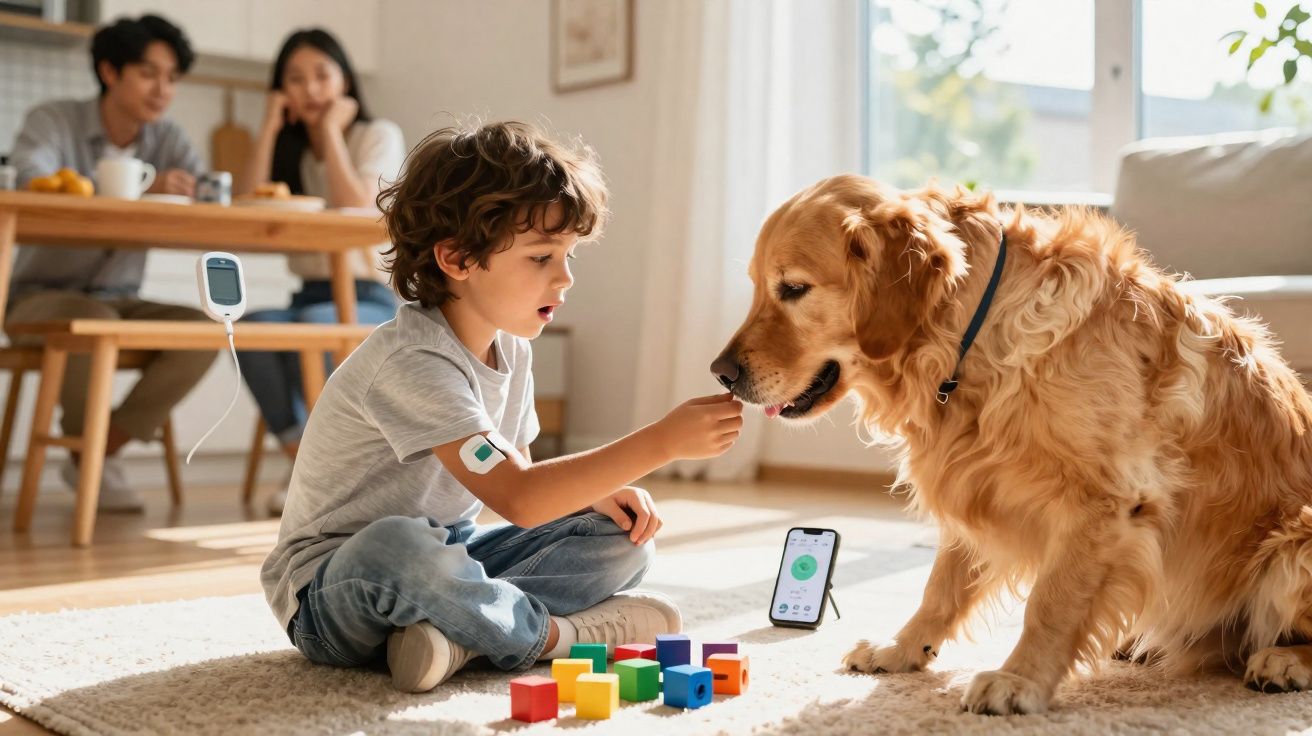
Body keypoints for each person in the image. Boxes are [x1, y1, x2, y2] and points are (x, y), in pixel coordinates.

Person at [261, 121, 744, 692]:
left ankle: (456, 637)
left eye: (568, 255)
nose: (565, 278)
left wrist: (593, 496)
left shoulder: (512, 348)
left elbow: (516, 467)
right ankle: (554, 636)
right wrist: (661, 442)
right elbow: (519, 496)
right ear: (457, 258)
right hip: (333, 591)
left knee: (621, 540)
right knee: (401, 545)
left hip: (451, 559)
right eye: (541, 257)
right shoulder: (412, 361)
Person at [6, 14, 216, 512]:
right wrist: (142, 187)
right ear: (109, 72)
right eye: (148, 73)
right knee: (91, 321)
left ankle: (95, 453)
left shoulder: (168, 138)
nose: (162, 90)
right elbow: (32, 178)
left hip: (122, 300)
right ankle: (92, 456)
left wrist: (196, 193)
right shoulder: (53, 120)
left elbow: (205, 194)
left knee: (206, 330)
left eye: (172, 78)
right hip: (36, 298)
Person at [235, 29, 405, 516]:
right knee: (248, 330)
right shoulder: (291, 150)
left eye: (321, 75)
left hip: (368, 295)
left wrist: (331, 131)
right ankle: (308, 466)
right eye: (294, 79)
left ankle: (320, 470)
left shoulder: (377, 134)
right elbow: (245, 205)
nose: (310, 89)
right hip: (309, 293)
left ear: (345, 81)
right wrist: (269, 126)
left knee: (312, 330)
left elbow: (361, 211)